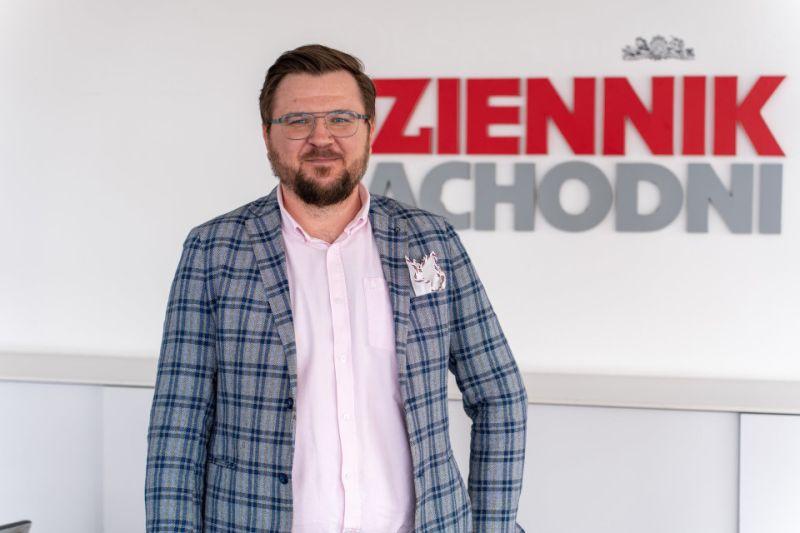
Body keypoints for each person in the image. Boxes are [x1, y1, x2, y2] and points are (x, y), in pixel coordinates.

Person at [145, 44, 528, 533]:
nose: (321, 137)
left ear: (369, 128)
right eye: (297, 120)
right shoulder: (213, 251)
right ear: (266, 134)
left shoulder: (432, 241)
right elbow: (178, 428)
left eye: (341, 119)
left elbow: (500, 395)